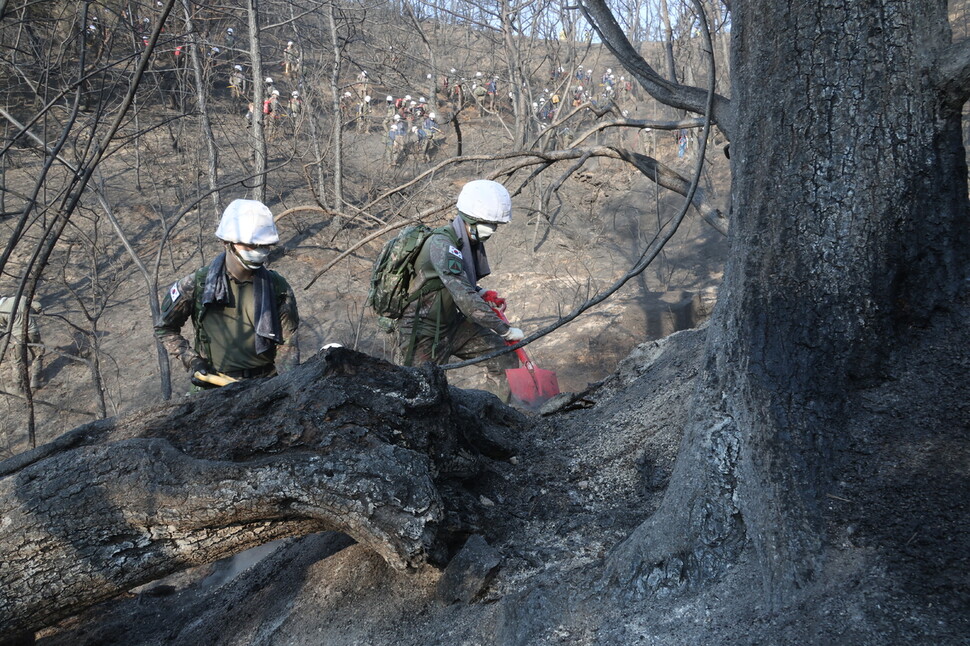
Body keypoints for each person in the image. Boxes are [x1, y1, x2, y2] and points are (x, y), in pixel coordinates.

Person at [397, 180, 522, 401]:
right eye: (487, 223)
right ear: (471, 219)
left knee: (504, 357)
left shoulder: (465, 242)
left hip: (452, 325)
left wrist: (481, 293)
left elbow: (462, 286)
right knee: (420, 396)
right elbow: (464, 298)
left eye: (495, 225)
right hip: (423, 332)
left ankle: (494, 417)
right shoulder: (443, 245)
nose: (492, 230)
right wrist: (504, 330)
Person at [155, 199, 299, 389]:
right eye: (250, 245)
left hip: (265, 383)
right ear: (227, 242)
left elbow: (288, 345)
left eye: (264, 246)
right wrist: (192, 360)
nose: (258, 252)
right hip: (214, 385)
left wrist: (289, 387)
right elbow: (165, 328)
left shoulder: (276, 286)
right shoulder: (197, 285)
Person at [0, 296, 43, 392]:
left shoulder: (0, 311)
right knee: (37, 355)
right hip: (32, 331)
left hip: (17, 337)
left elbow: (3, 327)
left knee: (17, 361)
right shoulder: (19, 298)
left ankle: (18, 386)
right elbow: (38, 306)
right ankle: (35, 380)